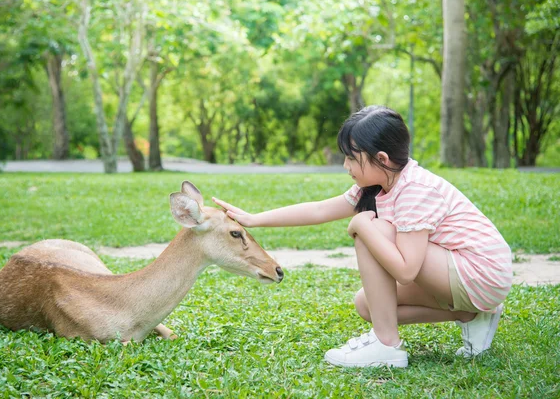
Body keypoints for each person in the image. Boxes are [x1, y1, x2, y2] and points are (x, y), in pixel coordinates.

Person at [212, 105, 512, 368]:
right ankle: (469, 315)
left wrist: (362, 225)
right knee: (367, 305)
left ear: (380, 158)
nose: (346, 166)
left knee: (375, 229)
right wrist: (254, 219)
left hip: (480, 272)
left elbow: (406, 271)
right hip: (464, 278)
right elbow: (318, 210)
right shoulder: (378, 185)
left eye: (351, 159)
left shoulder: (415, 190)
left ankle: (387, 346)